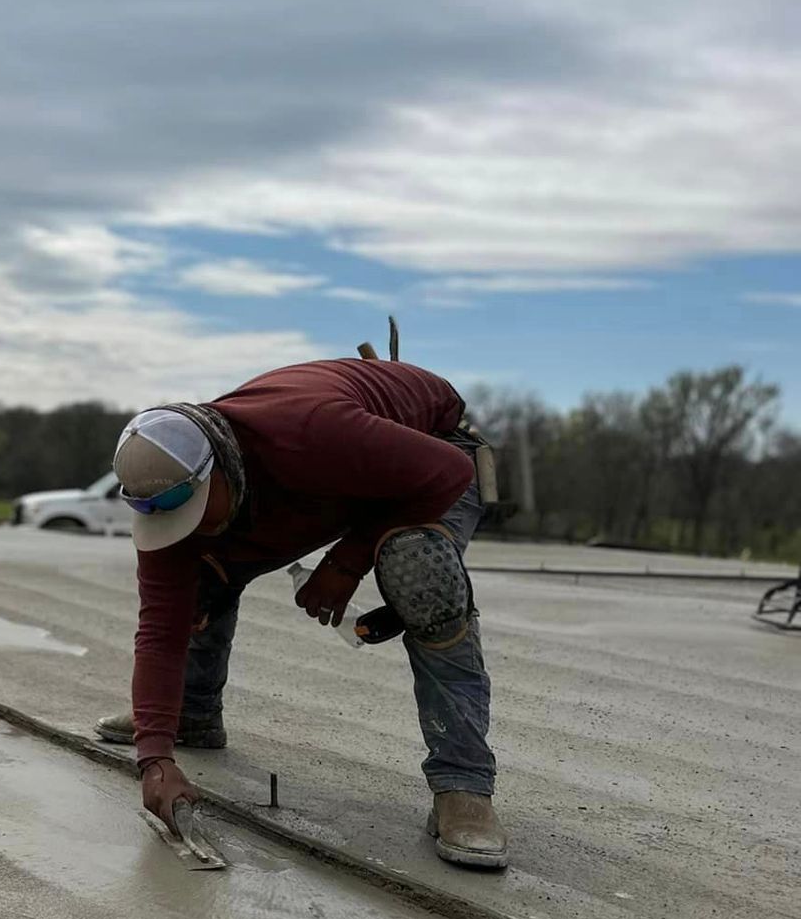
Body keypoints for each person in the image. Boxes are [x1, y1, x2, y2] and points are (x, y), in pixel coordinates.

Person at [100, 357, 506, 869]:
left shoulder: (313, 433)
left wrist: (346, 561)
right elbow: (160, 630)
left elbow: (449, 472)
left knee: (421, 573)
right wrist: (154, 755)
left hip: (432, 450)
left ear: (220, 467)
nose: (188, 527)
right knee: (195, 573)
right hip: (318, 482)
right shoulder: (169, 491)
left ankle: (463, 785)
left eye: (195, 509)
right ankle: (191, 715)